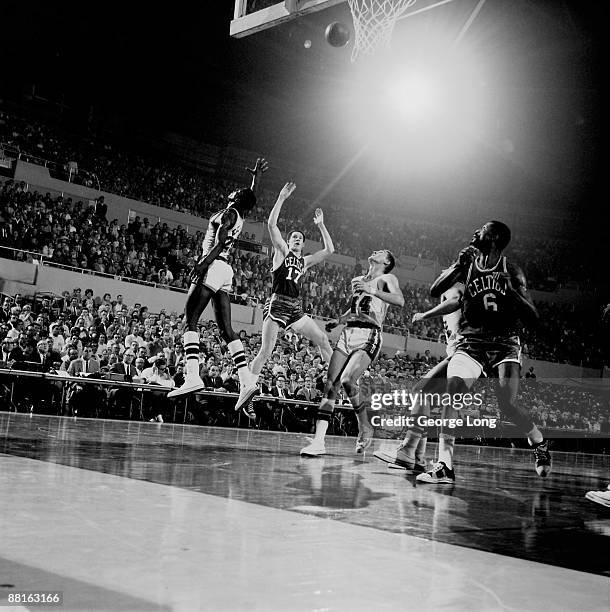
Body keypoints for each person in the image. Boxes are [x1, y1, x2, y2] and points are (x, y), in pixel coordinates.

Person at [416, 220, 551, 484]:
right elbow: (435, 291)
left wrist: (511, 292)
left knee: (507, 406)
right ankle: (445, 464)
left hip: (504, 343)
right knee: (452, 391)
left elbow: (533, 317)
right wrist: (457, 265)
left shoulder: (511, 270)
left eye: (482, 229)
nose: (476, 231)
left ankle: (538, 440)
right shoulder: (467, 264)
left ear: (494, 238)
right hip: (472, 342)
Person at [168, 158, 268, 398]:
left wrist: (203, 263)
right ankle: (246, 381)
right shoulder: (240, 212)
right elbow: (250, 196)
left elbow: (221, 241)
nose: (232, 190)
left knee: (189, 321)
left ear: (236, 198)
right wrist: (256, 179)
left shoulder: (228, 212)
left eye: (236, 192)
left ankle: (192, 376)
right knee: (227, 330)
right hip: (226, 270)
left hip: (214, 264)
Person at [237, 182, 334, 417]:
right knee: (266, 350)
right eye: (294, 237)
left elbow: (330, 250)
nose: (297, 239)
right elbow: (271, 225)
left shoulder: (306, 261)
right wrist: (281, 198)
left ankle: (335, 383)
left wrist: (321, 226)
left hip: (295, 308)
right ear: (289, 242)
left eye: (300, 237)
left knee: (322, 338)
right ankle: (246, 392)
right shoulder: (281, 251)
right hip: (278, 302)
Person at [300, 249, 404, 456]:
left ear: (386, 261)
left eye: (382, 252)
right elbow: (355, 308)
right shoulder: (358, 280)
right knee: (331, 384)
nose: (375, 251)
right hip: (348, 333)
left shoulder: (387, 278)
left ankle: (365, 426)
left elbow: (399, 300)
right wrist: (339, 320)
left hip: (369, 334)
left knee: (348, 380)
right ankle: (319, 441)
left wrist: (371, 289)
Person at [373, 282, 464, 473]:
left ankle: (408, 451)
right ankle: (418, 458)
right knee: (426, 400)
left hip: (464, 355)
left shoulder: (454, 286)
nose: (441, 275)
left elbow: (456, 299)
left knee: (421, 391)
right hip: (459, 354)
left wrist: (425, 315)